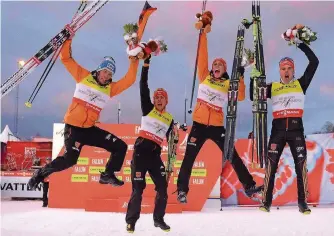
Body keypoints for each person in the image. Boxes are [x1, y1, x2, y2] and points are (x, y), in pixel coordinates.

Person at [28, 34, 139, 190]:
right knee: (70, 160)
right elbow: (66, 59)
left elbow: (130, 79)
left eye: (110, 74)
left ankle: (108, 174)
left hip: (89, 130)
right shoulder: (83, 76)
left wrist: (134, 58)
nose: (106, 75)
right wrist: (68, 39)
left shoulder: (110, 89)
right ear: (99, 70)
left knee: (120, 146)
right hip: (73, 129)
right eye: (105, 71)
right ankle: (40, 174)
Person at [176, 13, 263, 204]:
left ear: (224, 70)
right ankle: (182, 190)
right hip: (198, 125)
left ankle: (249, 186)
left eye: (220, 65)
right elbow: (203, 54)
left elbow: (240, 96)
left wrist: (239, 76)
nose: (216, 66)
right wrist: (204, 33)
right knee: (189, 158)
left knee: (232, 155)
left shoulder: (227, 84)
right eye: (215, 64)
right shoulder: (204, 75)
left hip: (216, 127)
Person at [251, 27, 319, 214]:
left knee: (301, 167)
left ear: (293, 70)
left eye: (289, 68)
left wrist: (299, 43)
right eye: (283, 68)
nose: (286, 71)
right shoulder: (272, 87)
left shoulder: (301, 83)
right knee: (271, 167)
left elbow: (315, 62)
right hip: (277, 131)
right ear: (279, 71)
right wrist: (253, 75)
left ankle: (302, 202)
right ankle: (266, 202)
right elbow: (253, 95)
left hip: (296, 130)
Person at [125, 55, 175, 233]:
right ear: (153, 100)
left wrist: (177, 131)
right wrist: (146, 65)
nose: (159, 100)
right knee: (138, 189)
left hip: (155, 156)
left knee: (163, 187)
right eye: (157, 97)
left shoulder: (169, 119)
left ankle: (159, 219)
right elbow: (143, 87)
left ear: (166, 101)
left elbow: (172, 139)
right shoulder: (148, 108)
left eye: (162, 98)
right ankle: (131, 221)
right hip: (140, 154)